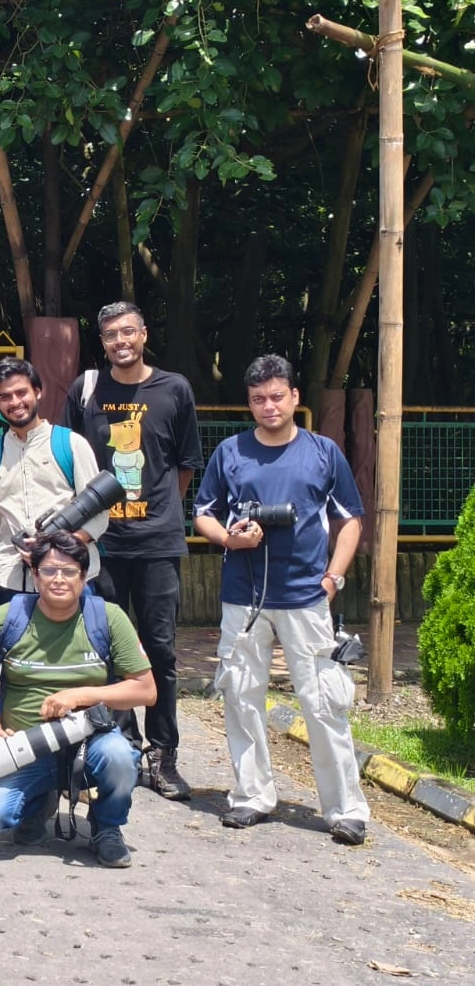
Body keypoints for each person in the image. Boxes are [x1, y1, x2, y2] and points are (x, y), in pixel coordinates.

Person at [193, 354, 369, 845]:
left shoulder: (323, 452)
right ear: (248, 403)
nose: (268, 406)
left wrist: (333, 577)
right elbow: (203, 513)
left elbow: (350, 520)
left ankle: (346, 809)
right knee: (241, 696)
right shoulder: (230, 452)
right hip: (243, 597)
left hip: (306, 596)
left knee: (322, 702)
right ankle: (251, 795)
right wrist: (229, 539)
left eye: (276, 396)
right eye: (258, 399)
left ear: (294, 397)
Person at [61, 302, 203, 802]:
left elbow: (184, 464)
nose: (120, 341)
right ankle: (122, 744)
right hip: (102, 545)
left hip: (158, 543)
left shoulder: (174, 389)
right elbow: (71, 459)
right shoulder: (86, 391)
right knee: (106, 649)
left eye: (127, 332)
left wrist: (159, 513)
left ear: (143, 334)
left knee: (160, 649)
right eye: (110, 335)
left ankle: (163, 754)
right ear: (102, 343)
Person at [0, 532, 157, 868]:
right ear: (35, 574)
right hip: (26, 744)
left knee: (119, 757)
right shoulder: (4, 619)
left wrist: (82, 695)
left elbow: (146, 690)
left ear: (84, 577)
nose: (59, 579)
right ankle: (38, 804)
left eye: (69, 571)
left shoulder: (109, 617)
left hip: (91, 740)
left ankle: (107, 826)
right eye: (49, 570)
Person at [0, 356, 107, 597]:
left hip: (70, 576)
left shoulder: (71, 444)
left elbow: (99, 515)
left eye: (21, 392)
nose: (15, 402)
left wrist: (59, 547)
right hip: (13, 582)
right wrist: (0, 558)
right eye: (5, 397)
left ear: (37, 392)